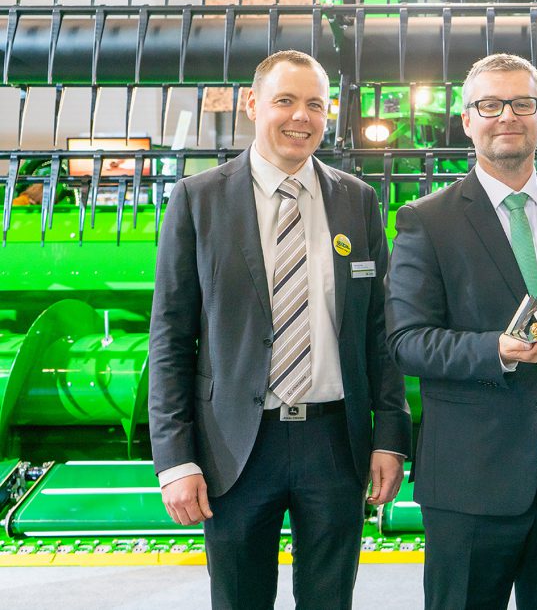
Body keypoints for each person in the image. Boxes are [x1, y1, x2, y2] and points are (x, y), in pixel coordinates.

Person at [148, 50, 411, 610]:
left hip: (334, 443)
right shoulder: (198, 200)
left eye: (315, 104)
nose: (302, 117)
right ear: (252, 105)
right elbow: (170, 339)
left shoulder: (357, 202)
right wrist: (175, 458)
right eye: (285, 101)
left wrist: (390, 435)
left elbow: (377, 330)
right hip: (235, 446)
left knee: (329, 600)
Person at [385, 53, 537, 609]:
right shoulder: (427, 219)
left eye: (522, 103)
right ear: (467, 120)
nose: (506, 116)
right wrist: (497, 350)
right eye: (489, 105)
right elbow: (406, 341)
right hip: (471, 480)